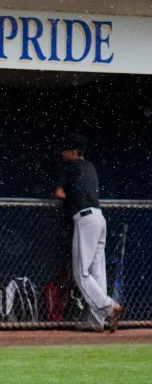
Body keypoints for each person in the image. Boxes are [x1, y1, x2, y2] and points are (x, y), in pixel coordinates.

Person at [54, 133, 123, 332]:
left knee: (81, 273)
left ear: (74, 151)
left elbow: (58, 193)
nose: (63, 154)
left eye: (66, 150)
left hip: (85, 219)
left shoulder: (70, 166)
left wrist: (70, 198)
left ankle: (109, 308)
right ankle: (96, 322)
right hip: (100, 218)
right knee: (97, 272)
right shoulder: (90, 166)